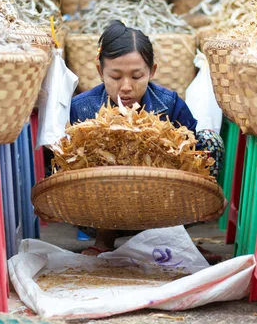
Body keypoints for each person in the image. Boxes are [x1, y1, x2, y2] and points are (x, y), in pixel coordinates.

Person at [69, 20, 225, 258]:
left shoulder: (170, 105)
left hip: (164, 206)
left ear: (152, 71)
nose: (126, 87)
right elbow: (63, 162)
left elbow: (194, 155)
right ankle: (104, 239)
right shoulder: (81, 109)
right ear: (100, 72)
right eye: (115, 76)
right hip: (102, 212)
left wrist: (210, 194)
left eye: (137, 76)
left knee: (209, 140)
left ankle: (175, 236)